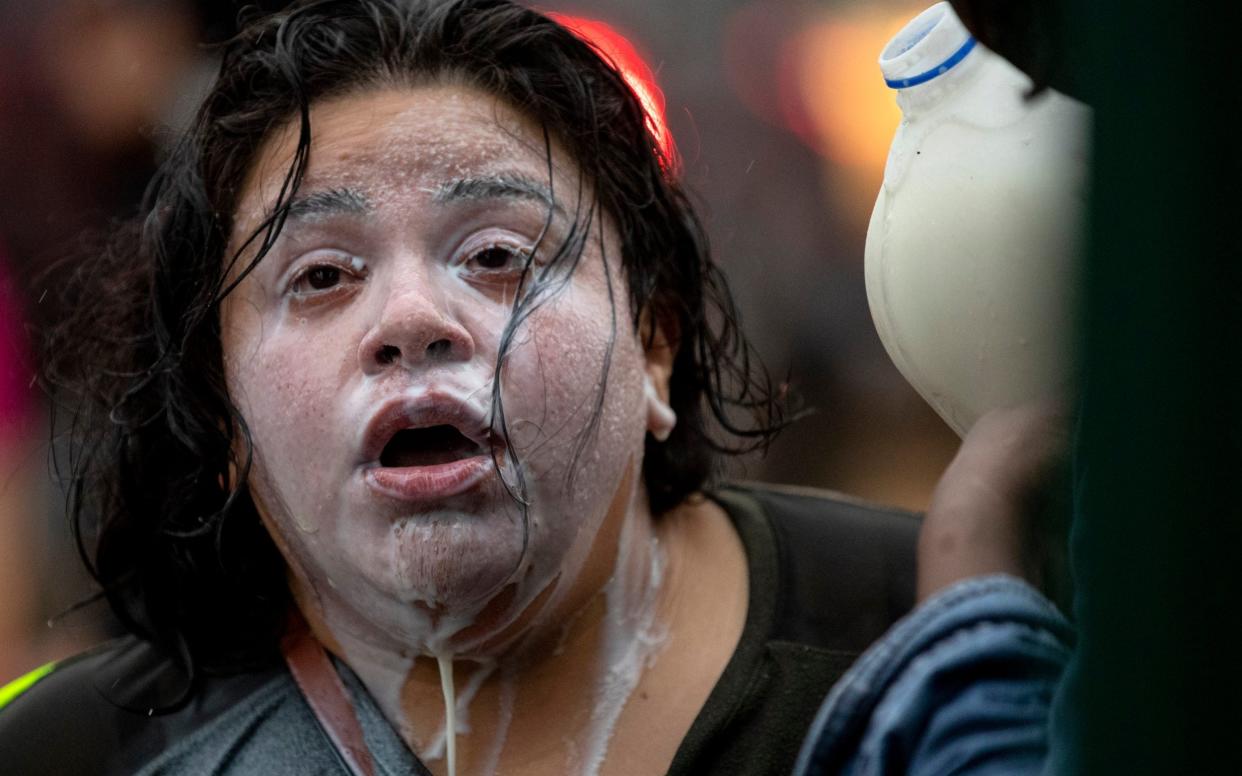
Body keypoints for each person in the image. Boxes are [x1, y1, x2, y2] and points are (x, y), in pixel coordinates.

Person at [0, 1, 922, 774]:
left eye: (495, 255)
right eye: (321, 275)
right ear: (220, 410)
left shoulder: (943, 636)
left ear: (653, 341)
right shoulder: (75, 756)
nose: (410, 318)